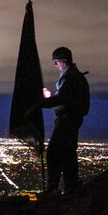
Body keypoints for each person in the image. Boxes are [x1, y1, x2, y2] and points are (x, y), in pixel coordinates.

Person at [36, 47, 90, 194]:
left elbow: (63, 99)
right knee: (68, 153)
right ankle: (71, 187)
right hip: (72, 119)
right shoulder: (74, 76)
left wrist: (41, 103)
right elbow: (66, 98)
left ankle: (53, 188)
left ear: (63, 61)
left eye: (56, 62)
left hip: (67, 120)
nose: (55, 65)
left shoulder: (70, 77)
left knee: (54, 152)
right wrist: (50, 97)